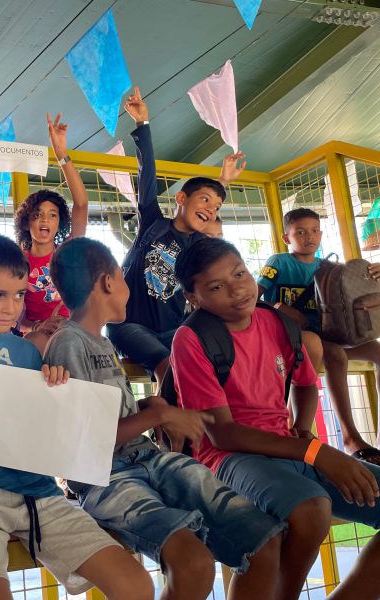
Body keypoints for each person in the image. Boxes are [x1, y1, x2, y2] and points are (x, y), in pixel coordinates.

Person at [0, 209, 152, 600]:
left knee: (136, 584)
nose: (10, 307)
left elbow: (42, 429)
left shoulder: (28, 353)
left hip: (38, 490)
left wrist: (55, 386)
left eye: (19, 295)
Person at [44, 237, 284, 600]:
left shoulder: (102, 343)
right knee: (193, 563)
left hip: (149, 459)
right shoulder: (68, 343)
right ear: (109, 282)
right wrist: (159, 413)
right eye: (124, 280)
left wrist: (146, 410)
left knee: (264, 539)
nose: (128, 289)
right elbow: (86, 440)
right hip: (109, 477)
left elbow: (108, 415)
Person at [171, 237, 380, 600]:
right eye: (216, 287)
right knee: (311, 510)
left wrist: (302, 428)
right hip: (229, 458)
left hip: (286, 449)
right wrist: (313, 452)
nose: (237, 290)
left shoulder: (277, 322)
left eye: (240, 274)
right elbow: (221, 435)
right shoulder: (192, 338)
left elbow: (304, 383)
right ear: (194, 297)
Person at [106, 86, 245, 385]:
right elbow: (147, 173)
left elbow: (209, 217)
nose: (211, 209)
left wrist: (221, 183)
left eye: (217, 206)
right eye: (204, 201)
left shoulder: (199, 247)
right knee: (167, 367)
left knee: (206, 366)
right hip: (129, 325)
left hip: (173, 328)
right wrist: (143, 125)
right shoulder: (154, 224)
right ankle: (166, 431)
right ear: (180, 198)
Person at [258, 207, 380, 464]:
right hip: (288, 336)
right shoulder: (279, 262)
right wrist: (281, 307)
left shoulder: (330, 268)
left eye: (314, 231)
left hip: (324, 335)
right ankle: (344, 434)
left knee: (375, 350)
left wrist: (373, 276)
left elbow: (352, 304)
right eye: (300, 232)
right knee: (333, 354)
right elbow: (254, 298)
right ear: (287, 238)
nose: (309, 236)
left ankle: (364, 434)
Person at [14, 113, 88, 355]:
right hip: (37, 337)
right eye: (37, 214)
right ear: (26, 223)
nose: (45, 219)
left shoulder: (67, 253)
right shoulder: (18, 262)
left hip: (72, 333)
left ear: (60, 224)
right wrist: (38, 326)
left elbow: (81, 204)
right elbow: (17, 319)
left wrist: (61, 155)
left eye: (52, 215)